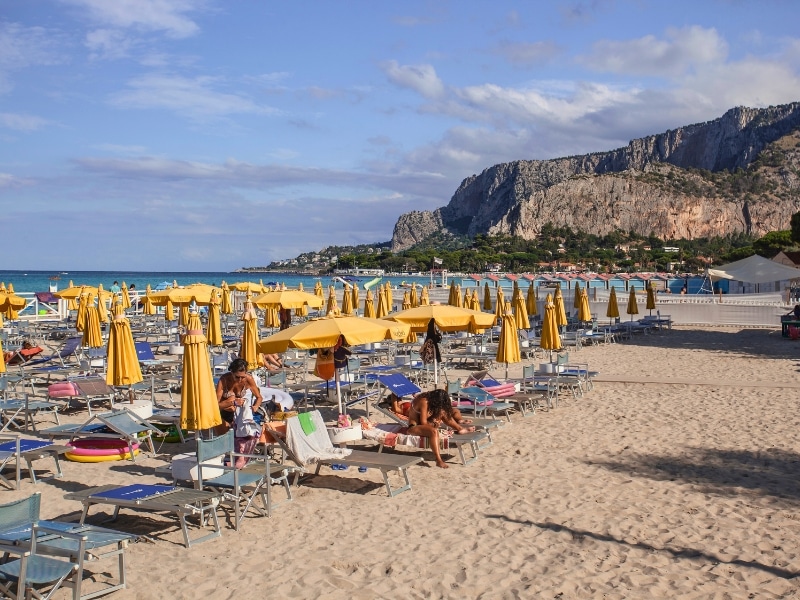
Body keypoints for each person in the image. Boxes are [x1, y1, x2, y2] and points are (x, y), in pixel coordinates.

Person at [405, 389, 475, 469]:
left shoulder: (429, 399)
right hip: (414, 427)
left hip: (425, 423)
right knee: (433, 431)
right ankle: (438, 460)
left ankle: (460, 428)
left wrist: (434, 421)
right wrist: (433, 424)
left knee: (442, 412)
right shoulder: (424, 401)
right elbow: (423, 422)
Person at [215, 358, 263, 434]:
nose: (240, 380)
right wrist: (233, 403)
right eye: (237, 377)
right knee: (227, 438)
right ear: (231, 372)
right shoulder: (224, 380)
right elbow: (215, 406)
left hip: (238, 414)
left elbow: (259, 397)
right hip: (223, 413)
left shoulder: (248, 379)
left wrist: (256, 406)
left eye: (243, 377)